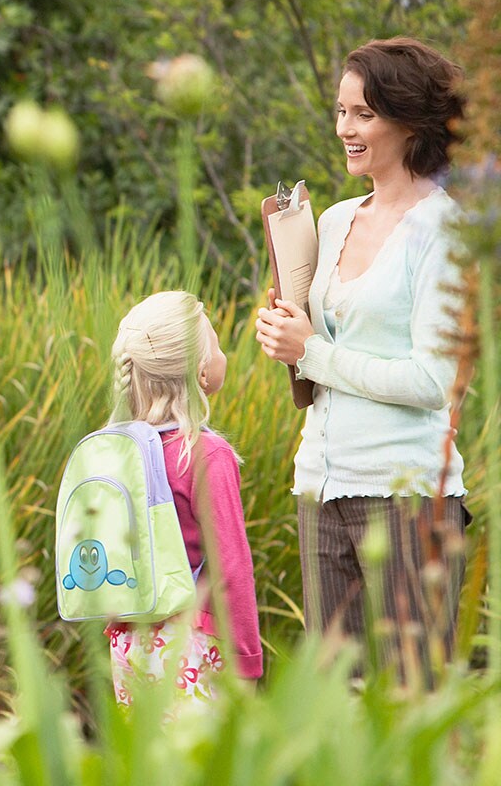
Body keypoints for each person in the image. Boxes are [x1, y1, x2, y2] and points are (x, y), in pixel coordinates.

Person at [256, 37, 469, 681]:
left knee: (416, 699)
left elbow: (434, 381)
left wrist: (314, 353)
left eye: (363, 115)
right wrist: (285, 332)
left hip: (407, 495)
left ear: (410, 123)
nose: (345, 129)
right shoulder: (334, 218)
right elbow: (324, 346)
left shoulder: (445, 230)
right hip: (321, 481)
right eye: (341, 111)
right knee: (334, 706)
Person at [106, 292, 262, 706]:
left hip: (127, 642)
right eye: (216, 344)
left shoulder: (118, 450)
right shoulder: (206, 455)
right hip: (190, 647)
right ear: (201, 370)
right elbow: (232, 569)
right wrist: (247, 663)